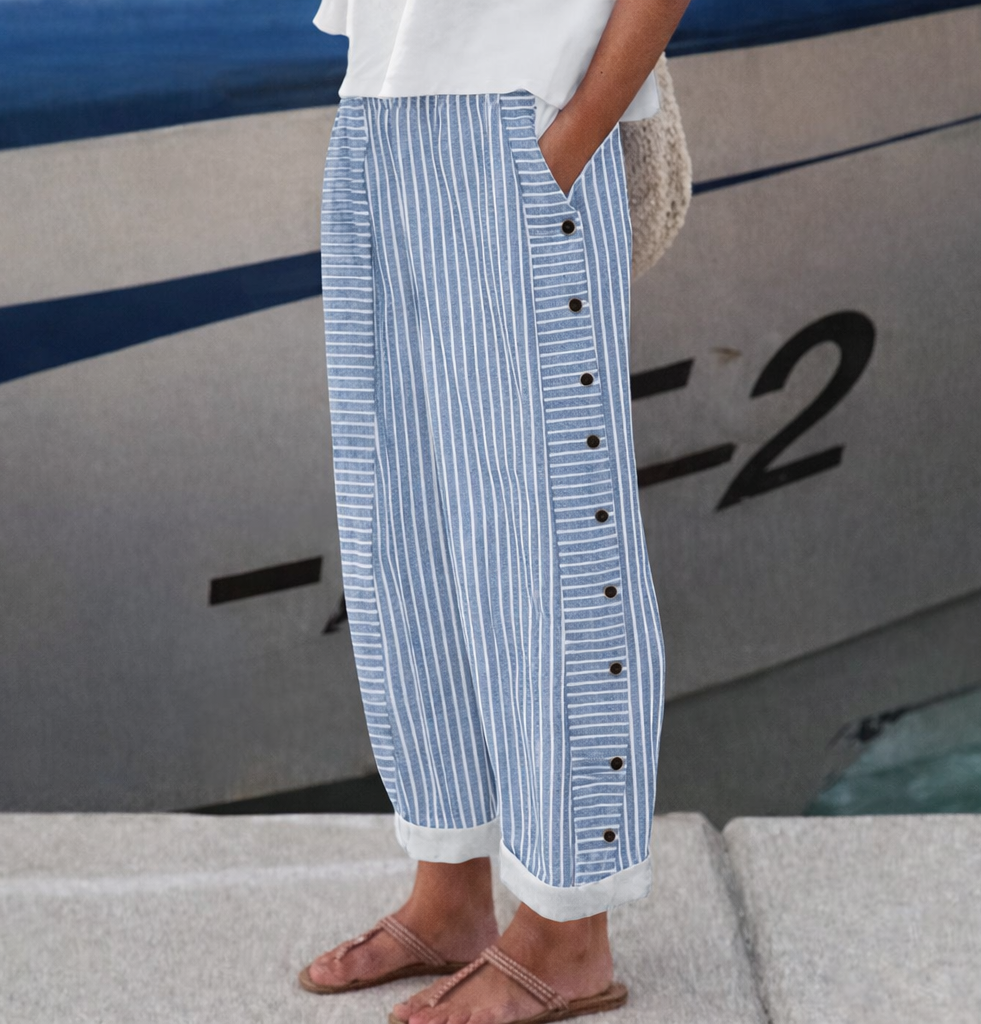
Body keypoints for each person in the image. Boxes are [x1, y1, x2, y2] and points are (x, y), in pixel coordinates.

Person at [301, 1, 691, 1021]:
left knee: (547, 533)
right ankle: (450, 890)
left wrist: (571, 138)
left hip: (525, 113)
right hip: (381, 113)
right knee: (405, 523)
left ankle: (568, 935)